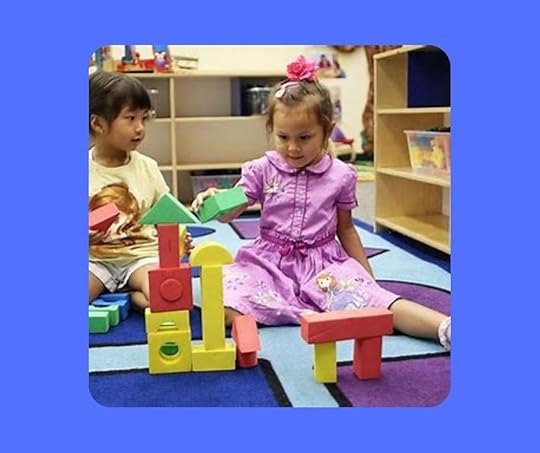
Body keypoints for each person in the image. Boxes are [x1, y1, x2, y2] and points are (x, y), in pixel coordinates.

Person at [191, 56, 451, 350]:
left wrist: (368, 280)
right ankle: (300, 314)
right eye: (283, 137)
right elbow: (231, 212)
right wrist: (214, 200)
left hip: (323, 266)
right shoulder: (261, 169)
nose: (293, 147)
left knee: (377, 304)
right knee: (224, 303)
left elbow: (346, 229)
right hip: (268, 263)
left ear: (327, 130)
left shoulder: (341, 175)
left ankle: (444, 328)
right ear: (271, 130)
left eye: (304, 137)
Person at [89, 71, 192, 311]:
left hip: (141, 257)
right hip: (95, 260)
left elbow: (168, 214)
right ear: (98, 123)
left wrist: (180, 239)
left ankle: (133, 296)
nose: (140, 128)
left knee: (171, 298)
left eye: (144, 118)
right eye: (130, 118)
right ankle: (118, 291)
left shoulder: (147, 167)